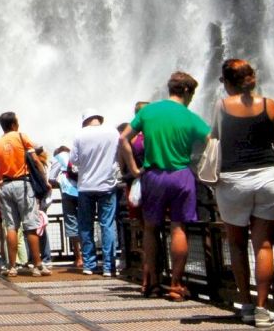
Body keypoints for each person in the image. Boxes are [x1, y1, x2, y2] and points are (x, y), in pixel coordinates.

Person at [120, 72, 210, 301]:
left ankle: (153, 284)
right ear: (187, 91)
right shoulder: (189, 116)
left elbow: (123, 138)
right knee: (179, 228)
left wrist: (133, 168)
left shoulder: (149, 111)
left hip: (153, 175)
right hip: (181, 175)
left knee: (151, 229)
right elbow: (212, 140)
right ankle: (176, 285)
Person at [215, 59, 274, 328]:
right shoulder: (270, 105)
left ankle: (245, 304)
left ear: (227, 82)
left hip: (233, 180)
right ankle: (262, 309)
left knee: (236, 243)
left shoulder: (221, 106)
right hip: (269, 177)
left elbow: (213, 143)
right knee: (264, 245)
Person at [0, 111, 52, 277]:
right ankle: (38, 265)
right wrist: (45, 181)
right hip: (23, 184)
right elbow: (36, 160)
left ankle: (11, 266)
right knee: (30, 225)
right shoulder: (22, 137)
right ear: (13, 124)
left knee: (11, 226)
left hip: (6, 186)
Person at [73, 110, 120, 277]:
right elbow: (119, 154)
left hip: (85, 186)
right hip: (107, 185)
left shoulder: (80, 134)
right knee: (107, 224)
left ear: (85, 121)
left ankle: (89, 265)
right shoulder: (113, 132)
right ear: (100, 119)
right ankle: (109, 267)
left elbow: (75, 160)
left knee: (85, 226)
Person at [49, 146, 83, 268]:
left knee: (71, 222)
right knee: (84, 222)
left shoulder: (57, 158)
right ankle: (89, 256)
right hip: (83, 190)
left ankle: (79, 258)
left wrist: (58, 183)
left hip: (67, 191)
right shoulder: (75, 155)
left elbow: (51, 178)